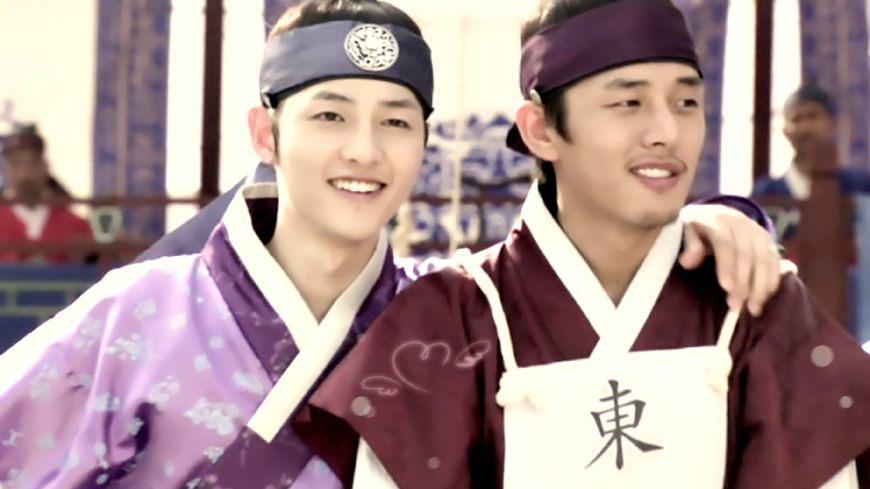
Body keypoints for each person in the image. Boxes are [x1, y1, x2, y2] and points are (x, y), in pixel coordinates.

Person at [0, 0, 783, 487]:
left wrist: (715, 218)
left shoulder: (452, 309)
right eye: (330, 115)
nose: (365, 151)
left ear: (423, 143)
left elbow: (589, 266)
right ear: (266, 134)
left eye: (396, 122)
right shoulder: (140, 311)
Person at [299, 1, 870, 488]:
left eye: (686, 103)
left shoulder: (761, 313)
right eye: (629, 103)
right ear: (541, 129)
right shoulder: (447, 321)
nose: (667, 133)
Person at [753, 84, 870, 202]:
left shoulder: (861, 187)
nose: (805, 128)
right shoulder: (765, 193)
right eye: (796, 119)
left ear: (834, 124)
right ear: (786, 132)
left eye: (812, 116)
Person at [0, 125, 92, 263]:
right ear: (6, 170)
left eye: (32, 163)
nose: (25, 173)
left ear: (45, 167)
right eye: (16, 163)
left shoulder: (74, 224)